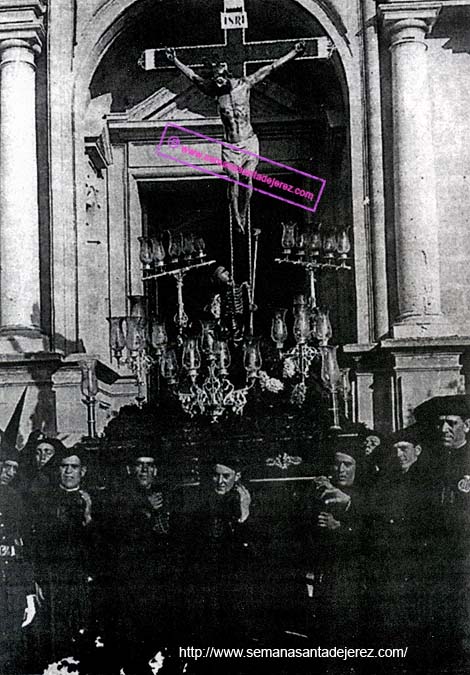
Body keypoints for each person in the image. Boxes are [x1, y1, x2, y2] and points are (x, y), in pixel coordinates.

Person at [165, 43, 305, 233]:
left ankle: (245, 213)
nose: (217, 83)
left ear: (227, 75)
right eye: (215, 79)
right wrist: (175, 61)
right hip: (230, 146)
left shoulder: (245, 85)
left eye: (220, 79)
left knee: (246, 178)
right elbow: (193, 76)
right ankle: (236, 217)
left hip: (248, 142)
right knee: (233, 178)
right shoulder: (214, 90)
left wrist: (294, 52)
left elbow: (271, 68)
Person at [102, 448, 173, 674]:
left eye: (149, 465)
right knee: (131, 637)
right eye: (140, 464)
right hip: (130, 578)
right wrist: (146, 509)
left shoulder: (165, 494)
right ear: (131, 469)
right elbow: (118, 534)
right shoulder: (118, 496)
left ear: (156, 470)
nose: (144, 469)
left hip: (158, 577)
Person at [367, 425, 436, 653]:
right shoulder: (389, 481)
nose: (399, 455)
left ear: (418, 450)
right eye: (395, 449)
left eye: (404, 449)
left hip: (419, 562)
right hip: (392, 561)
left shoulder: (428, 481)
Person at [414, 395, 470, 662]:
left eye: (451, 423)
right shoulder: (429, 464)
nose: (444, 429)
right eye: (440, 424)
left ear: (467, 426)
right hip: (436, 554)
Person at [175, 452, 253, 645]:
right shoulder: (199, 504)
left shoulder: (247, 503)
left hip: (234, 589)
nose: (220, 481)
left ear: (237, 476)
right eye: (215, 475)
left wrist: (244, 514)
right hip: (205, 589)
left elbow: (251, 550)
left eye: (226, 476)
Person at [32, 443, 96, 665]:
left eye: (74, 467)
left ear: (83, 471)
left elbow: (100, 545)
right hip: (54, 579)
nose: (68, 472)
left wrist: (88, 518)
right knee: (55, 637)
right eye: (64, 466)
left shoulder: (93, 500)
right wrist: (39, 579)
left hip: (83, 579)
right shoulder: (45, 503)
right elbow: (38, 545)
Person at [302, 437, 366, 644]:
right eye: (337, 464)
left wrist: (339, 527)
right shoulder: (323, 494)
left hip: (357, 582)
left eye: (347, 464)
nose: (341, 470)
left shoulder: (367, 496)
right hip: (326, 578)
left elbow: (371, 537)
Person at [0, 451, 36, 673]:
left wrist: (29, 592)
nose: (10, 473)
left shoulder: (15, 498)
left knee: (11, 651)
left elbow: (24, 548)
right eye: (5, 466)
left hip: (11, 588)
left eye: (15, 469)